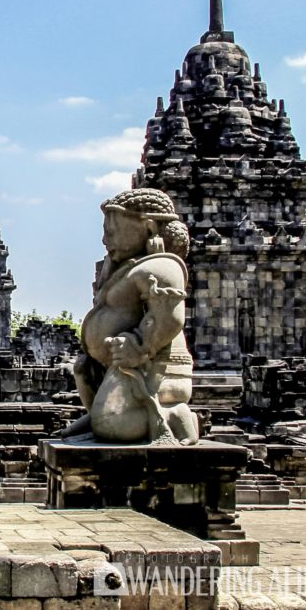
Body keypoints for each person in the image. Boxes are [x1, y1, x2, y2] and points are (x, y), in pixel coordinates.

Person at [62, 188, 198, 445]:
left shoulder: (162, 266)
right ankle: (97, 413)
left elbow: (171, 319)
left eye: (112, 232)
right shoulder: (127, 268)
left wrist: (140, 346)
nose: (105, 240)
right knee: (82, 369)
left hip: (151, 368)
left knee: (114, 426)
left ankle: (174, 415)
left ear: (149, 228)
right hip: (113, 367)